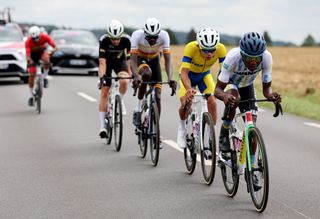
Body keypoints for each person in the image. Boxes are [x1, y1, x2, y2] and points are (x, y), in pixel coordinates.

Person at [214, 31, 281, 153]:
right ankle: (224, 132)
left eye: (257, 58)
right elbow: (217, 90)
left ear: (262, 55)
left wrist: (271, 95)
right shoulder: (232, 57)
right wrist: (224, 96)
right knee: (235, 99)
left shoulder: (266, 57)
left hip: (247, 85)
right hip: (230, 82)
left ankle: (250, 168)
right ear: (242, 54)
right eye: (249, 58)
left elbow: (266, 90)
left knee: (252, 129)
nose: (253, 62)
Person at [176, 28, 227, 149]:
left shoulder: (221, 49)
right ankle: (182, 127)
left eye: (212, 50)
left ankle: (210, 136)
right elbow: (184, 73)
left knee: (213, 102)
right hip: (188, 76)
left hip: (204, 75)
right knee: (185, 102)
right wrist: (189, 89)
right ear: (199, 47)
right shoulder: (191, 47)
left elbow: (225, 72)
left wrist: (227, 89)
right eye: (206, 50)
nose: (210, 54)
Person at [131, 18, 176, 127]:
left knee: (158, 97)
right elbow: (132, 60)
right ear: (145, 33)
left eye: (155, 37)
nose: (152, 40)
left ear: (159, 34)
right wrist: (136, 76)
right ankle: (137, 109)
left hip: (154, 60)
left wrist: (170, 78)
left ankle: (156, 131)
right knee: (146, 74)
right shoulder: (137, 35)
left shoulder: (164, 35)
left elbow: (168, 60)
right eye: (149, 37)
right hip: (140, 59)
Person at [98, 19, 132, 138]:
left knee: (124, 81)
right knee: (104, 92)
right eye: (113, 38)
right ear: (109, 36)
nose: (116, 41)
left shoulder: (127, 40)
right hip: (107, 63)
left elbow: (129, 61)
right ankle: (102, 126)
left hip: (120, 63)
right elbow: (102, 62)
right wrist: (102, 77)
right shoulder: (104, 40)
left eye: (118, 38)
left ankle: (120, 100)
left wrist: (130, 75)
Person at [25, 25, 57, 106]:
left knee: (46, 60)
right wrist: (29, 61)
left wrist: (52, 52)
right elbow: (28, 55)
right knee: (32, 74)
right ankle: (31, 96)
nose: (35, 40)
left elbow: (55, 47)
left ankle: (45, 77)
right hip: (33, 55)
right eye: (33, 39)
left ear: (40, 34)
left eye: (37, 38)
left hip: (42, 52)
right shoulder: (28, 41)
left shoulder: (45, 37)